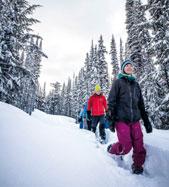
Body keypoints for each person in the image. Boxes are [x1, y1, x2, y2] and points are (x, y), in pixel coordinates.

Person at [106, 59, 153, 174]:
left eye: (130, 66)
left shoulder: (136, 85)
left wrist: (146, 122)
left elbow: (141, 105)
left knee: (139, 144)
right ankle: (113, 149)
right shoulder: (118, 82)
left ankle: (137, 165)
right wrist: (111, 120)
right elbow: (111, 101)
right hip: (121, 119)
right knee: (126, 146)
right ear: (123, 69)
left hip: (135, 120)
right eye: (126, 66)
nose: (129, 67)